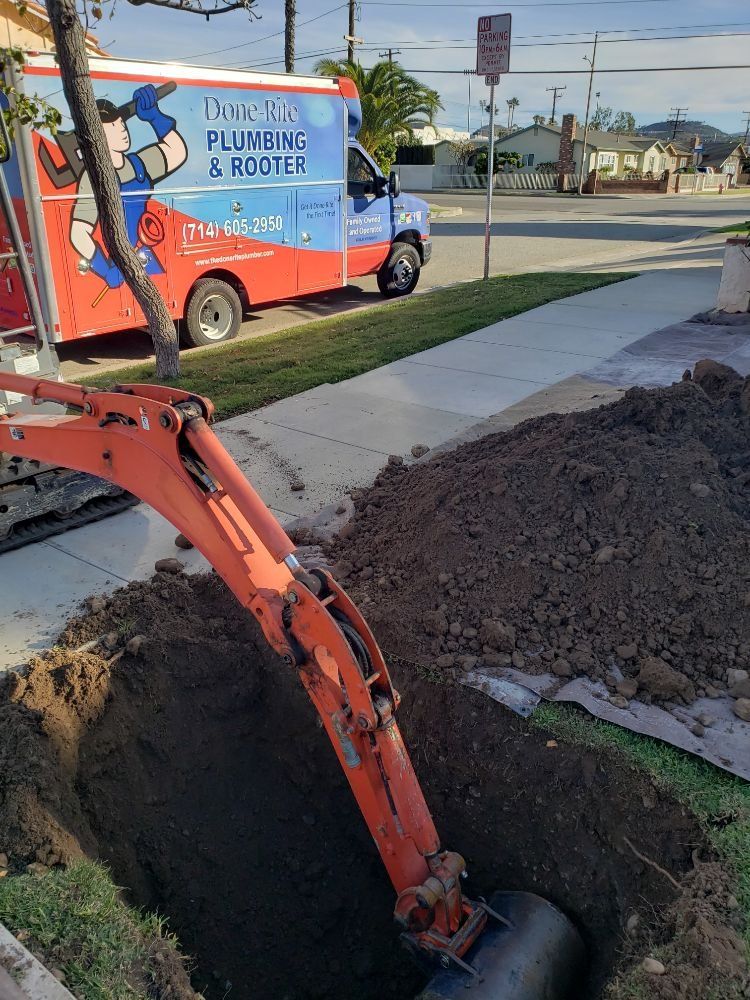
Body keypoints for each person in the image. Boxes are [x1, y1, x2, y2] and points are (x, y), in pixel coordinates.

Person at [70, 84, 187, 289]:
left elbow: (177, 152)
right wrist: (105, 270)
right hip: (120, 264)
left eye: (121, 122)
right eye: (112, 126)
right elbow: (78, 232)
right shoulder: (92, 177)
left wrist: (154, 117)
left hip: (145, 257)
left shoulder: (139, 163)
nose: (122, 128)